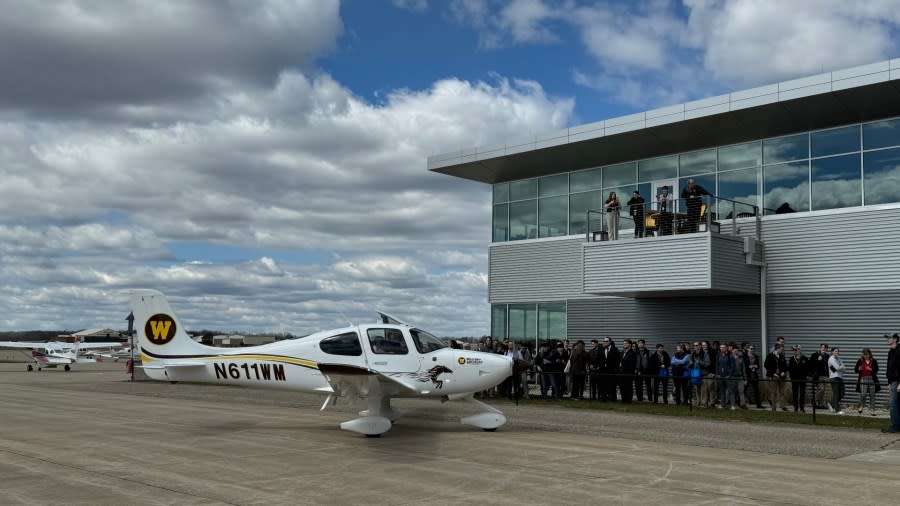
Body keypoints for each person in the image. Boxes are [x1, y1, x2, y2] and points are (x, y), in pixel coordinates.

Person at [854, 347, 878, 415]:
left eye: (867, 354)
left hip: (871, 379)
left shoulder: (873, 361)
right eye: (864, 354)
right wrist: (859, 369)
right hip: (863, 378)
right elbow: (855, 370)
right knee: (863, 394)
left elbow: (876, 369)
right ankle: (861, 407)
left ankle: (872, 409)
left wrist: (871, 369)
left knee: (872, 394)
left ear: (870, 354)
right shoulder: (860, 361)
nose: (866, 356)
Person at [764, 343, 789, 410]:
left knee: (782, 392)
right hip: (773, 376)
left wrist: (783, 372)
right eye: (781, 349)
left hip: (781, 376)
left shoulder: (782, 356)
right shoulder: (770, 356)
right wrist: (773, 373)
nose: (781, 351)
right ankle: (773, 406)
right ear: (777, 349)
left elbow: (785, 366)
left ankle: (782, 405)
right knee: (773, 392)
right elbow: (766, 366)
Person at [885, 333, 900, 433]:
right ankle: (897, 425)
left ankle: (895, 426)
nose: (887, 340)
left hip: (898, 381)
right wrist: (889, 383)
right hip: (893, 381)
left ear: (895, 339)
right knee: (897, 404)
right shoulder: (891, 351)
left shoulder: (899, 351)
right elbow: (890, 368)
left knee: (894, 404)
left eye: (889, 338)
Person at [810, 343, 832, 410]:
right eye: (822, 347)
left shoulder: (827, 356)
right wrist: (818, 360)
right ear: (820, 348)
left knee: (824, 390)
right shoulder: (816, 355)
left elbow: (830, 366)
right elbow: (812, 364)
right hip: (819, 375)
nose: (823, 349)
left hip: (826, 375)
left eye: (825, 348)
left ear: (827, 349)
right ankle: (815, 400)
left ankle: (821, 403)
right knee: (821, 389)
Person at [788, 345, 809, 412]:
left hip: (802, 378)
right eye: (794, 350)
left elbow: (807, 368)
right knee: (795, 393)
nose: (796, 351)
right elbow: (789, 369)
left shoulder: (805, 358)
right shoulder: (791, 359)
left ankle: (802, 407)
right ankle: (796, 407)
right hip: (794, 379)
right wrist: (791, 376)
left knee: (802, 393)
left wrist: (805, 376)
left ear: (800, 350)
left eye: (797, 350)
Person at [715, 343, 735, 409]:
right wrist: (717, 374)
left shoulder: (730, 356)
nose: (722, 348)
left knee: (730, 391)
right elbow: (717, 365)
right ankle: (722, 404)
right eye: (721, 347)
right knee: (722, 391)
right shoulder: (718, 355)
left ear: (726, 348)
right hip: (720, 376)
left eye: (723, 347)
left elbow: (733, 366)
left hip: (728, 376)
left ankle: (732, 405)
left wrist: (729, 375)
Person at [828, 347, 846, 414]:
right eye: (835, 351)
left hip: (840, 377)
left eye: (838, 351)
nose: (837, 352)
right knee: (836, 394)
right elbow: (837, 367)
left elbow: (844, 368)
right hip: (834, 378)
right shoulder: (831, 359)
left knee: (842, 393)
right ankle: (837, 410)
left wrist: (840, 367)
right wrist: (840, 367)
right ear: (832, 352)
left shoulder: (838, 359)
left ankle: (831, 403)